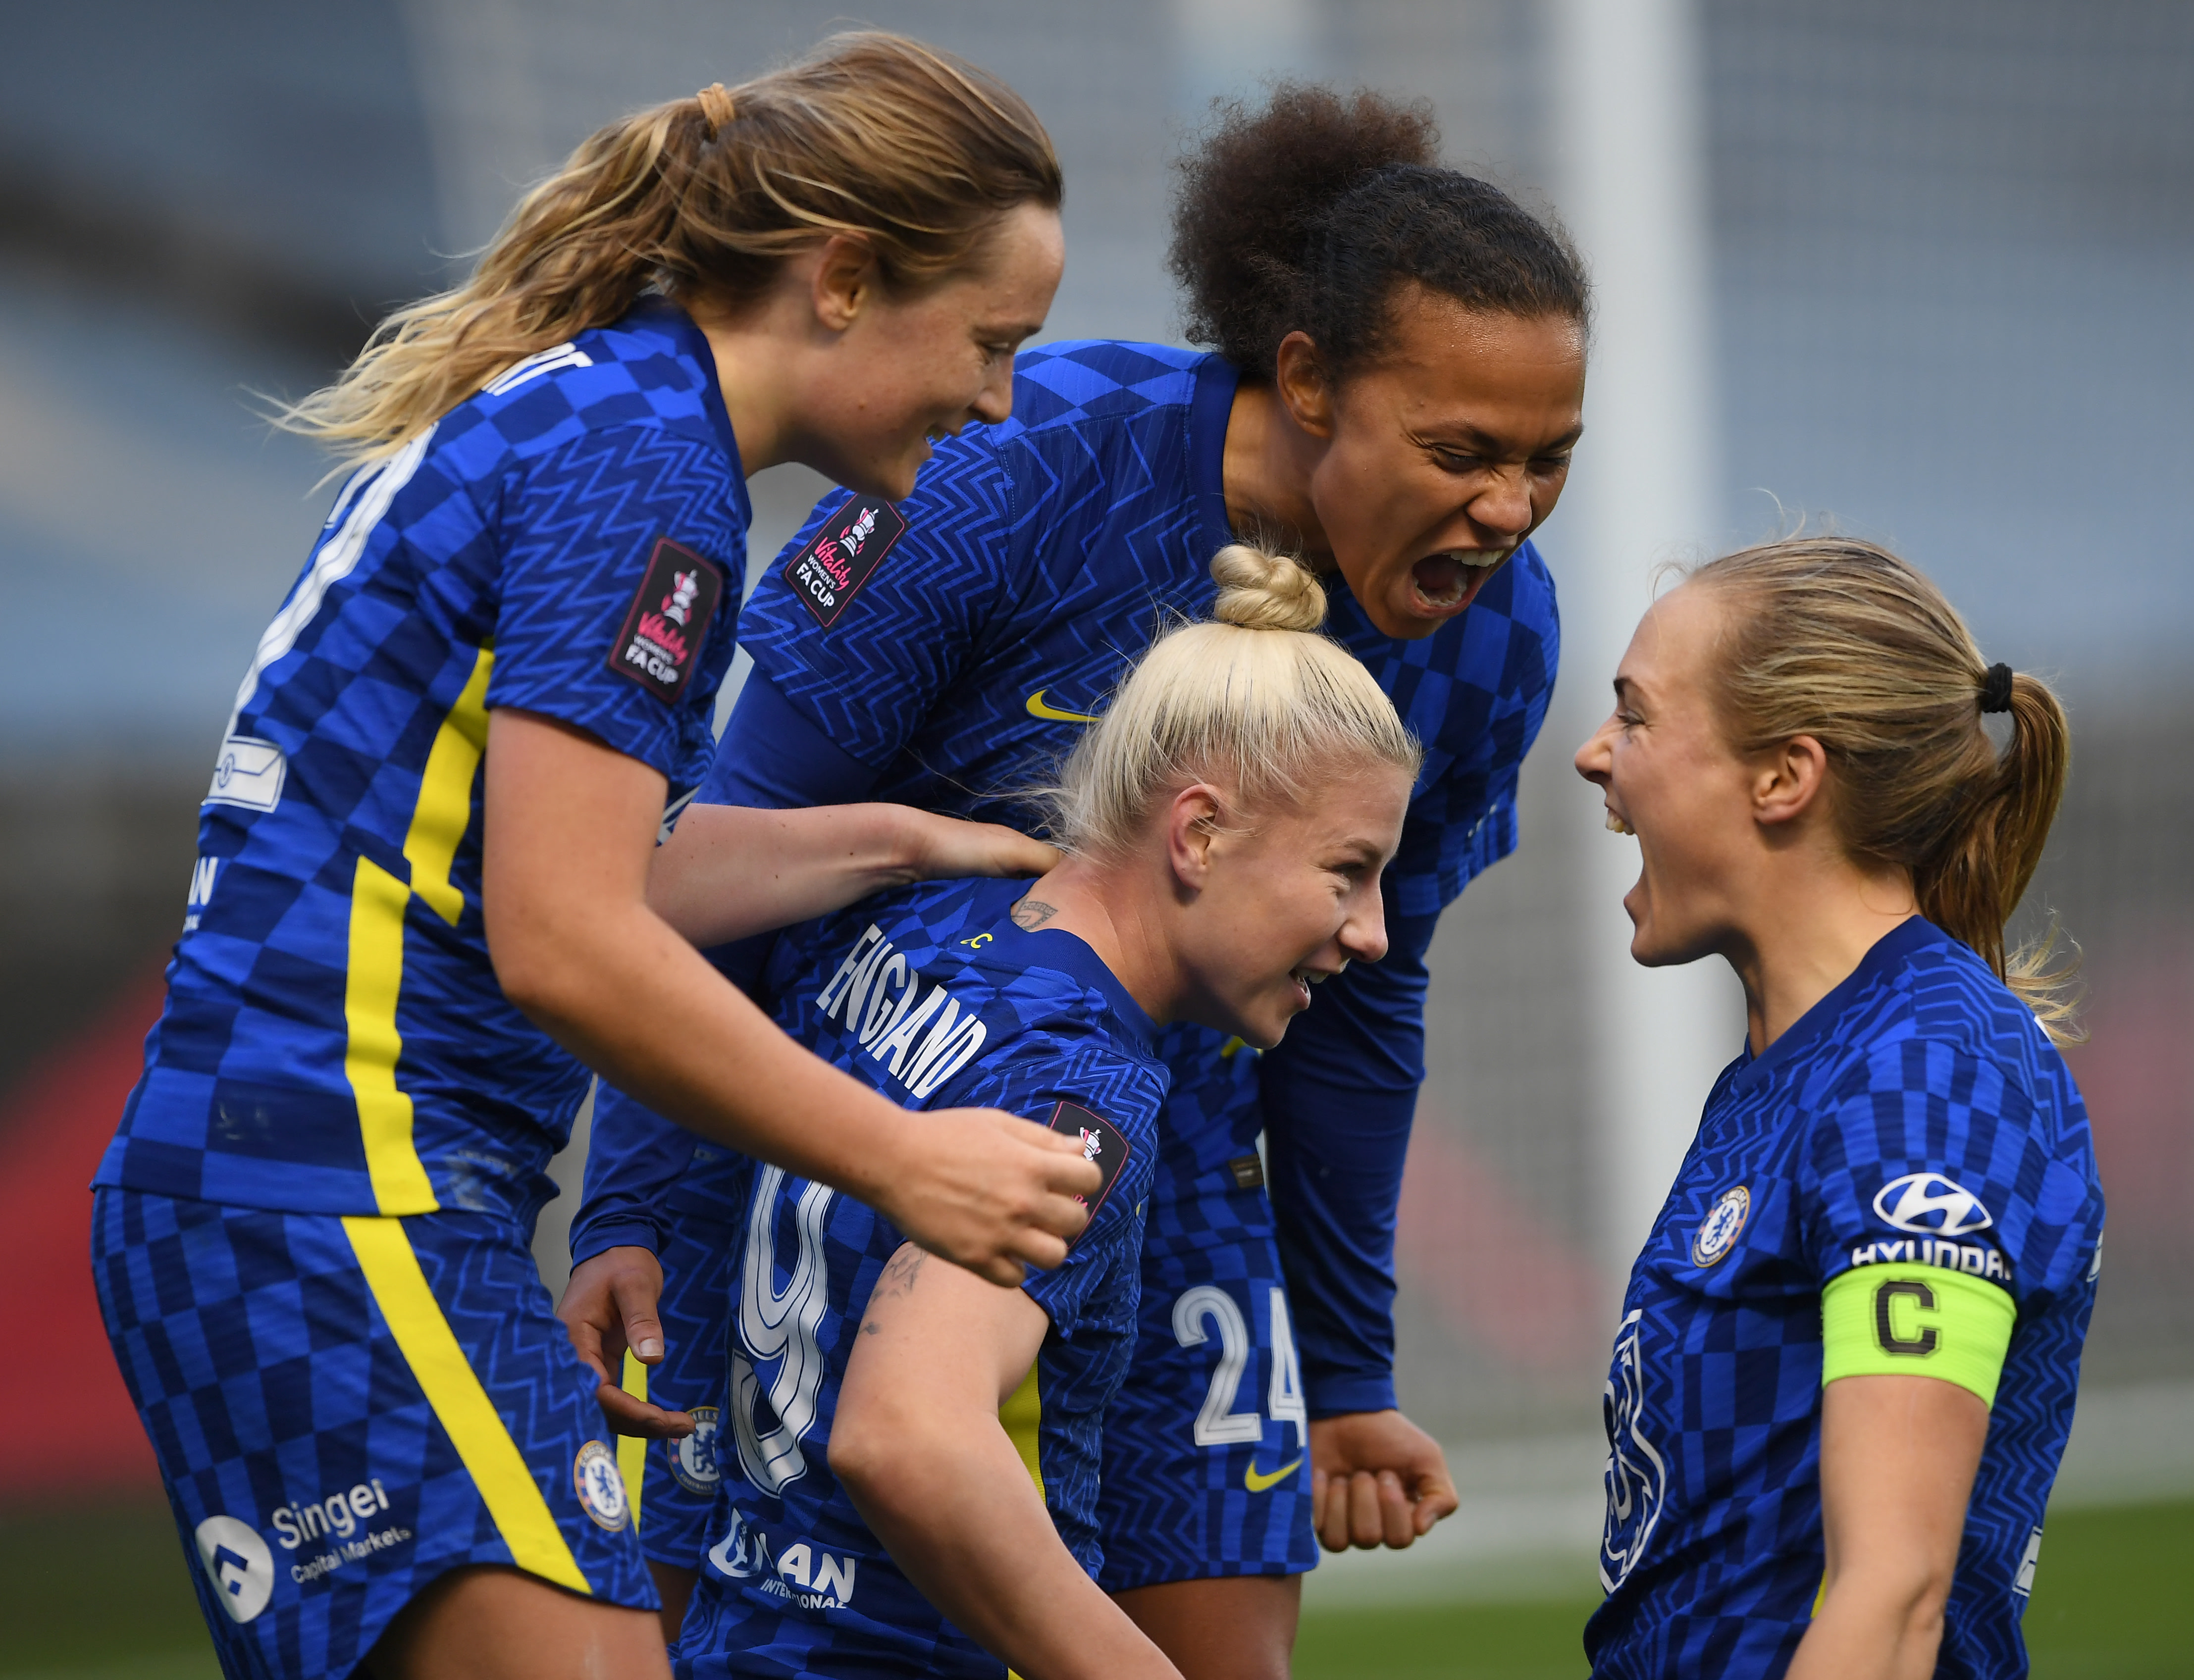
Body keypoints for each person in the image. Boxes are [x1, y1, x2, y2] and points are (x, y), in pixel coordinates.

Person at [88, 35, 1101, 1680]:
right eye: (991, 342)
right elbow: (566, 941)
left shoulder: (599, 408)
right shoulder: (651, 466)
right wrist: (905, 1159)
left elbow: (543, 873)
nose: (994, 397)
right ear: (843, 278)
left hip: (321, 1188)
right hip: (333, 1187)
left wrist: (896, 839)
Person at [560, 86, 1585, 1678]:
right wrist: (632, 1201)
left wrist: (1352, 1364)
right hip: (845, 1149)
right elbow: (703, 863)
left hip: (1172, 1199)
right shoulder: (1004, 474)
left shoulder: (1500, 635)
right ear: (1306, 380)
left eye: (1548, 462)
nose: (1508, 510)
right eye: (1462, 451)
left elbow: (1366, 995)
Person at [659, 546, 1420, 1679]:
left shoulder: (915, 923)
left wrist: (900, 843)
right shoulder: (1086, 1086)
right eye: (1347, 871)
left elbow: (620, 884)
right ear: (1199, 833)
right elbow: (907, 1433)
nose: (1373, 933)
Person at [1573, 538, 2102, 1680]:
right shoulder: (1805, 1062)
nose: (1592, 754)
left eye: (1635, 715)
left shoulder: (1921, 1075)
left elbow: (1894, 1596)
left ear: (1783, 775)